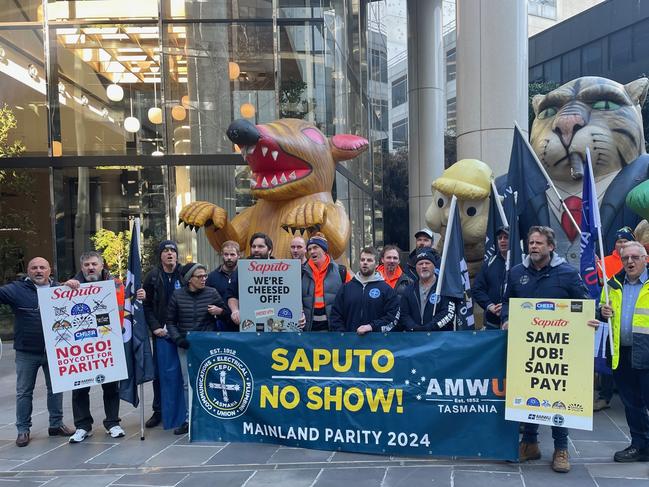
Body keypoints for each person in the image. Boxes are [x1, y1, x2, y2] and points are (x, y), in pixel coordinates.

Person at [502, 226, 590, 473]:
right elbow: (507, 302)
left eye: (539, 243)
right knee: (528, 391)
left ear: (551, 246)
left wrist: (592, 318)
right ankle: (529, 443)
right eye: (531, 243)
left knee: (556, 397)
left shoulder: (567, 274)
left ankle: (561, 448)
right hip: (526, 348)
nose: (533, 247)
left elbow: (584, 304)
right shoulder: (516, 273)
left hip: (559, 350)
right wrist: (506, 318)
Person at [67, 251, 145, 444]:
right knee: (79, 389)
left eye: (94, 264)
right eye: (86, 265)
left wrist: (139, 295)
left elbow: (129, 303)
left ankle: (112, 423)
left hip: (109, 344)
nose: (90, 268)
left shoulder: (117, 284)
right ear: (81, 267)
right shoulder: (69, 286)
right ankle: (82, 426)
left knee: (111, 386)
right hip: (81, 347)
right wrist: (65, 287)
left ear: (102, 265)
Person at [0, 257, 75, 447]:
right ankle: (23, 430)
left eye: (42, 267)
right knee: (24, 392)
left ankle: (56, 424)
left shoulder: (61, 289)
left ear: (50, 271)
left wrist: (75, 284)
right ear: (28, 271)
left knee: (56, 388)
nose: (38, 271)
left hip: (54, 350)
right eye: (34, 268)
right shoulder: (15, 289)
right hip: (27, 351)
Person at [591, 241, 649, 463]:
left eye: (635, 257)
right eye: (626, 258)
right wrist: (601, 311)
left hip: (647, 352)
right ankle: (640, 445)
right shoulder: (612, 285)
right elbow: (601, 311)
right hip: (621, 354)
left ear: (645, 259)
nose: (630, 262)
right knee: (632, 404)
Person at [167, 262, 229, 435]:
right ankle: (189, 419)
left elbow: (226, 314)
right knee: (188, 384)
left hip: (207, 345)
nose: (204, 279)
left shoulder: (212, 293)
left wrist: (220, 311)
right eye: (199, 277)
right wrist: (178, 339)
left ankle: (213, 419)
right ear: (189, 280)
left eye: (205, 276)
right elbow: (170, 321)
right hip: (185, 344)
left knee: (210, 381)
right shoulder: (177, 295)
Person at [142, 240, 183, 428]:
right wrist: (155, 327)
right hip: (160, 333)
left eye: (172, 251)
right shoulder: (152, 277)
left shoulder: (184, 274)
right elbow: (147, 306)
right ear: (160, 255)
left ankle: (181, 409)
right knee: (160, 373)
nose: (169, 254)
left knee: (181, 372)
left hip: (181, 331)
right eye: (165, 251)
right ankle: (158, 410)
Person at [593, 227, 635, 411]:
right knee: (608, 361)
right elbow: (600, 289)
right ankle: (605, 396)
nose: (622, 245)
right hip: (611, 324)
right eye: (619, 241)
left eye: (626, 241)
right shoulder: (604, 261)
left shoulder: (643, 260)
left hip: (637, 330)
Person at [330, 247, 400, 334]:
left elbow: (392, 317)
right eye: (363, 260)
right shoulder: (346, 288)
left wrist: (372, 327)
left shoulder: (386, 290)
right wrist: (343, 335)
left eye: (369, 260)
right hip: (349, 343)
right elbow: (335, 315)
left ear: (377, 264)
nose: (365, 262)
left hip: (377, 343)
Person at [301, 233, 350, 331]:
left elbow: (351, 299)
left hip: (332, 329)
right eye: (309, 249)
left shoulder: (341, 271)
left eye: (315, 247)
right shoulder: (301, 272)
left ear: (324, 250)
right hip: (308, 329)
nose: (312, 251)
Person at [398, 250, 456, 331]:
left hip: (440, 338)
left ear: (434, 266)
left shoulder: (444, 287)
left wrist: (430, 327)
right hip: (415, 337)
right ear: (416, 268)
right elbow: (404, 314)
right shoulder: (409, 290)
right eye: (420, 264)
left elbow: (448, 313)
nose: (424, 266)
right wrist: (413, 328)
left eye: (427, 263)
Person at [227, 233, 273, 327]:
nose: (256, 250)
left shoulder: (282, 267)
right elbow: (231, 294)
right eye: (253, 246)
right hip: (248, 324)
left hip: (275, 324)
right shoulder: (242, 268)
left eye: (260, 246)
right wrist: (235, 311)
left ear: (269, 250)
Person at [473, 227, 508, 329]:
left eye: (506, 237)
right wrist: (490, 306)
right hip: (492, 320)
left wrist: (508, 307)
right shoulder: (489, 263)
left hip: (517, 321)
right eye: (500, 238)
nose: (502, 240)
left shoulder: (523, 262)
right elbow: (477, 289)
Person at [205, 240, 239, 331]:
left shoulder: (244, 275)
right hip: (220, 324)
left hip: (242, 322)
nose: (229, 258)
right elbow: (206, 300)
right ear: (221, 255)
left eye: (232, 255)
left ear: (238, 256)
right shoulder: (212, 277)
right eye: (226, 254)